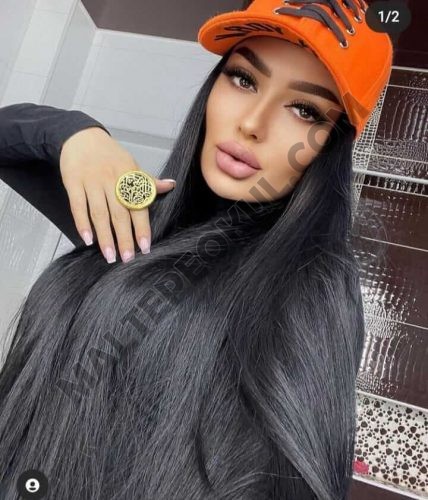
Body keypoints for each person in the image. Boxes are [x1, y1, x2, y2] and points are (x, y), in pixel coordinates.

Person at [0, 0, 393, 498]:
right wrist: (75, 135)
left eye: (304, 110)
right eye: (244, 79)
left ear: (328, 149)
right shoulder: (139, 219)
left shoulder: (312, 289)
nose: (252, 122)